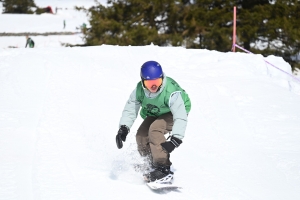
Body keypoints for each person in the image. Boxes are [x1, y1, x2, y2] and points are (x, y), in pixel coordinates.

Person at [116, 60, 191, 183]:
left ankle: (163, 168)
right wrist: (123, 128)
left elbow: (180, 115)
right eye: (150, 84)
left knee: (155, 130)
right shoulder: (139, 90)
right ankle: (150, 162)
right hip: (156, 111)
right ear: (142, 81)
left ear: (162, 78)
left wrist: (176, 138)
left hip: (174, 112)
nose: (154, 87)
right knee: (141, 135)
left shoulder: (170, 91)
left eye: (157, 82)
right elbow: (130, 108)